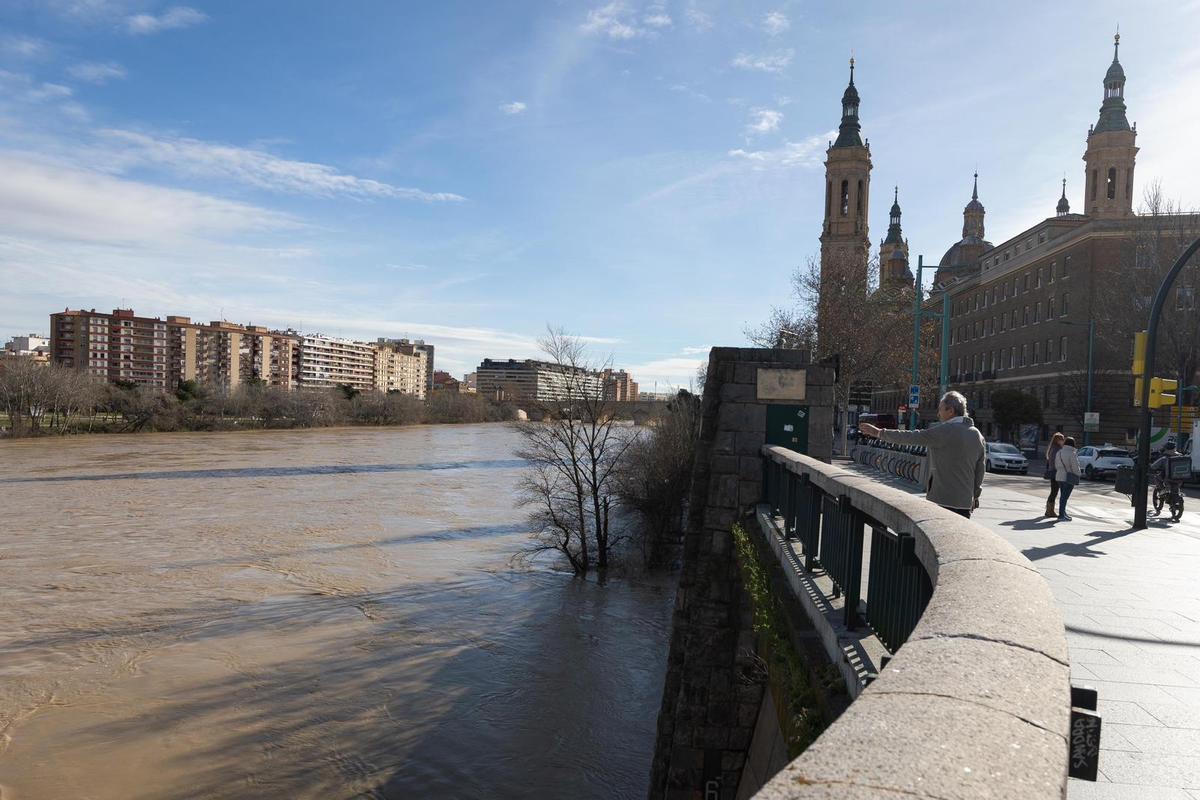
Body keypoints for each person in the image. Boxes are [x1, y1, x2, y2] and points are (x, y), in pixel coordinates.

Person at [858, 390, 985, 518]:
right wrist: (975, 495)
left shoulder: (944, 431)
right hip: (965, 502)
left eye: (940, 409)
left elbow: (911, 437)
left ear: (951, 411)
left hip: (942, 499)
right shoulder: (977, 435)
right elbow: (980, 471)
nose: (938, 414)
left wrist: (879, 433)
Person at [1054, 436, 1082, 521]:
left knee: (1063, 496)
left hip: (1059, 476)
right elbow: (1075, 467)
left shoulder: (1059, 452)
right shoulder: (1072, 453)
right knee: (1065, 497)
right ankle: (1061, 515)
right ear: (1073, 444)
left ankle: (1063, 513)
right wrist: (1078, 474)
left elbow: (1056, 464)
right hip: (1069, 477)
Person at [1044, 432, 1066, 518]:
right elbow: (1054, 462)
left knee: (1054, 491)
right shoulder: (1056, 449)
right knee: (1054, 491)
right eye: (1061, 439)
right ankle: (1050, 511)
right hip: (1056, 472)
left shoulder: (1053, 448)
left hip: (1054, 471)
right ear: (1057, 440)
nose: (1063, 441)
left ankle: (1049, 510)